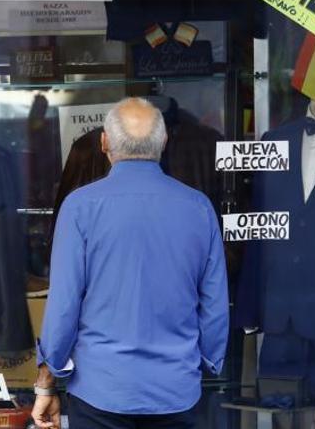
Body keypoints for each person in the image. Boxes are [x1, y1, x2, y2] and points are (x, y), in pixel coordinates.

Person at [31, 97, 229, 429]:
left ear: (104, 142)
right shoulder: (198, 207)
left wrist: (46, 381)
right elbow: (214, 303)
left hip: (100, 388)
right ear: (164, 143)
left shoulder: (79, 207)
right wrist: (210, 360)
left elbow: (64, 304)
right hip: (176, 388)